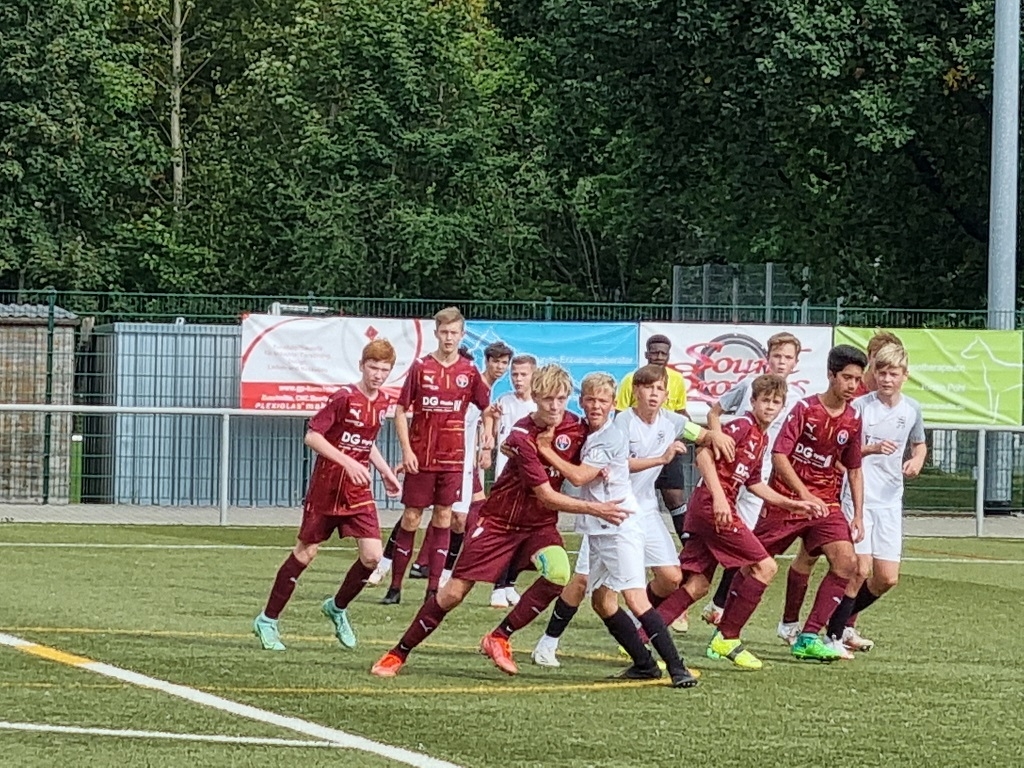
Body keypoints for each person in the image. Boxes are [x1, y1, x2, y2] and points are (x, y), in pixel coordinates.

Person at [369, 364, 630, 679]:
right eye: (548, 398)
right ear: (534, 397)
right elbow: (547, 495)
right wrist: (596, 509)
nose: (555, 406)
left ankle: (499, 636)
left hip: (538, 526)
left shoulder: (578, 428)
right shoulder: (521, 435)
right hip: (498, 523)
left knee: (559, 573)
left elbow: (606, 451)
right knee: (453, 593)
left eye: (561, 398)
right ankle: (398, 653)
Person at [530, 364, 734, 667]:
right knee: (583, 582)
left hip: (644, 511)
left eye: (659, 388)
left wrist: (717, 436)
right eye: (647, 387)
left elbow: (701, 434)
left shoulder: (673, 422)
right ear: (634, 393)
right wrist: (660, 459)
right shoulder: (622, 424)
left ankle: (640, 624)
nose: (653, 394)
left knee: (671, 577)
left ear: (667, 394)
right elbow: (621, 464)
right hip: (612, 511)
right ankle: (549, 642)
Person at [646, 374, 822, 670]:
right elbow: (703, 454)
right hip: (712, 508)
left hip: (714, 508)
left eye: (775, 402)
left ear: (782, 407)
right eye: (764, 400)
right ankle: (727, 637)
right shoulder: (741, 426)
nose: (769, 406)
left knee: (698, 584)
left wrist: (792, 503)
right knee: (765, 567)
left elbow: (754, 483)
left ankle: (641, 636)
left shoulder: (763, 437)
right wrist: (718, 497)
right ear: (752, 402)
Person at [252, 340, 402, 651]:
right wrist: (347, 461)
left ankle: (337, 607)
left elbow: (365, 441)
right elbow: (312, 435)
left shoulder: (382, 401)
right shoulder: (344, 397)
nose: (378, 375)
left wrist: (385, 471)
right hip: (327, 488)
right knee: (306, 553)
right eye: (373, 367)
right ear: (361, 365)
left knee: (373, 556)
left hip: (357, 490)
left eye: (384, 370)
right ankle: (267, 620)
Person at [777, 331, 904, 648]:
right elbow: (837, 454)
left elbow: (852, 459)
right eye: (877, 361)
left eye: (889, 367)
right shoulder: (850, 401)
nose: (880, 373)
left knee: (854, 567)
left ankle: (832, 630)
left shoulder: (889, 408)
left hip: (841, 498)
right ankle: (786, 623)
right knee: (788, 561)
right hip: (809, 494)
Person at [753, 344, 867, 662]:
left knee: (847, 563)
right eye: (846, 378)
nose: (852, 386)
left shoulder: (854, 419)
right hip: (787, 500)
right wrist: (802, 494)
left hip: (826, 504)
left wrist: (857, 514)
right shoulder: (805, 409)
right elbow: (779, 456)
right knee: (753, 561)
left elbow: (855, 470)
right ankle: (725, 626)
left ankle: (808, 635)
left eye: (857, 380)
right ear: (831, 375)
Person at [374, 342, 512, 592]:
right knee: (414, 514)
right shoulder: (467, 382)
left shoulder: (484, 391)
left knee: (457, 519)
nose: (500, 367)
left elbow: (486, 414)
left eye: (504, 363)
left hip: (462, 464)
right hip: (441, 460)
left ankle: (443, 575)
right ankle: (387, 565)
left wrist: (488, 440)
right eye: (496, 362)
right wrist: (412, 452)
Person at [825, 342, 927, 652]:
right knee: (860, 569)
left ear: (904, 376)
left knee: (886, 578)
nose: (886, 379)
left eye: (892, 374)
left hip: (890, 501)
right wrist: (869, 449)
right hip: (859, 498)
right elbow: (842, 450)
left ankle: (838, 622)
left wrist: (917, 460)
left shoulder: (911, 409)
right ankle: (833, 635)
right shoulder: (860, 407)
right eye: (880, 373)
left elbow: (919, 444)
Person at [700, 332, 804, 625]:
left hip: (759, 477)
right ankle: (685, 600)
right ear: (767, 358)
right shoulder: (749, 386)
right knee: (713, 539)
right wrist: (718, 436)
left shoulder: (796, 400)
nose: (781, 362)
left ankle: (718, 606)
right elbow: (715, 412)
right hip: (728, 474)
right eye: (777, 356)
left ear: (796, 363)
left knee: (743, 541)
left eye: (787, 358)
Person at [615, 335, 690, 540]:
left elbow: (682, 411)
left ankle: (687, 545)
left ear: (668, 355)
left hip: (667, 444)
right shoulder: (631, 379)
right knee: (633, 495)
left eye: (663, 353)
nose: (658, 356)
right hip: (638, 448)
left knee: (675, 496)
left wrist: (685, 434)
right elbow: (619, 414)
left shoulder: (677, 380)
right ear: (646, 354)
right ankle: (625, 535)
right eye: (654, 352)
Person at [480, 353, 538, 607]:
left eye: (523, 374)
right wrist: (489, 433)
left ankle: (509, 582)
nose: (517, 379)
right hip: (508, 479)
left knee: (527, 536)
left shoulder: (538, 407)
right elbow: (491, 424)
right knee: (505, 534)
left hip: (532, 479)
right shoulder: (504, 401)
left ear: (534, 376)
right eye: (514, 374)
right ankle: (497, 587)